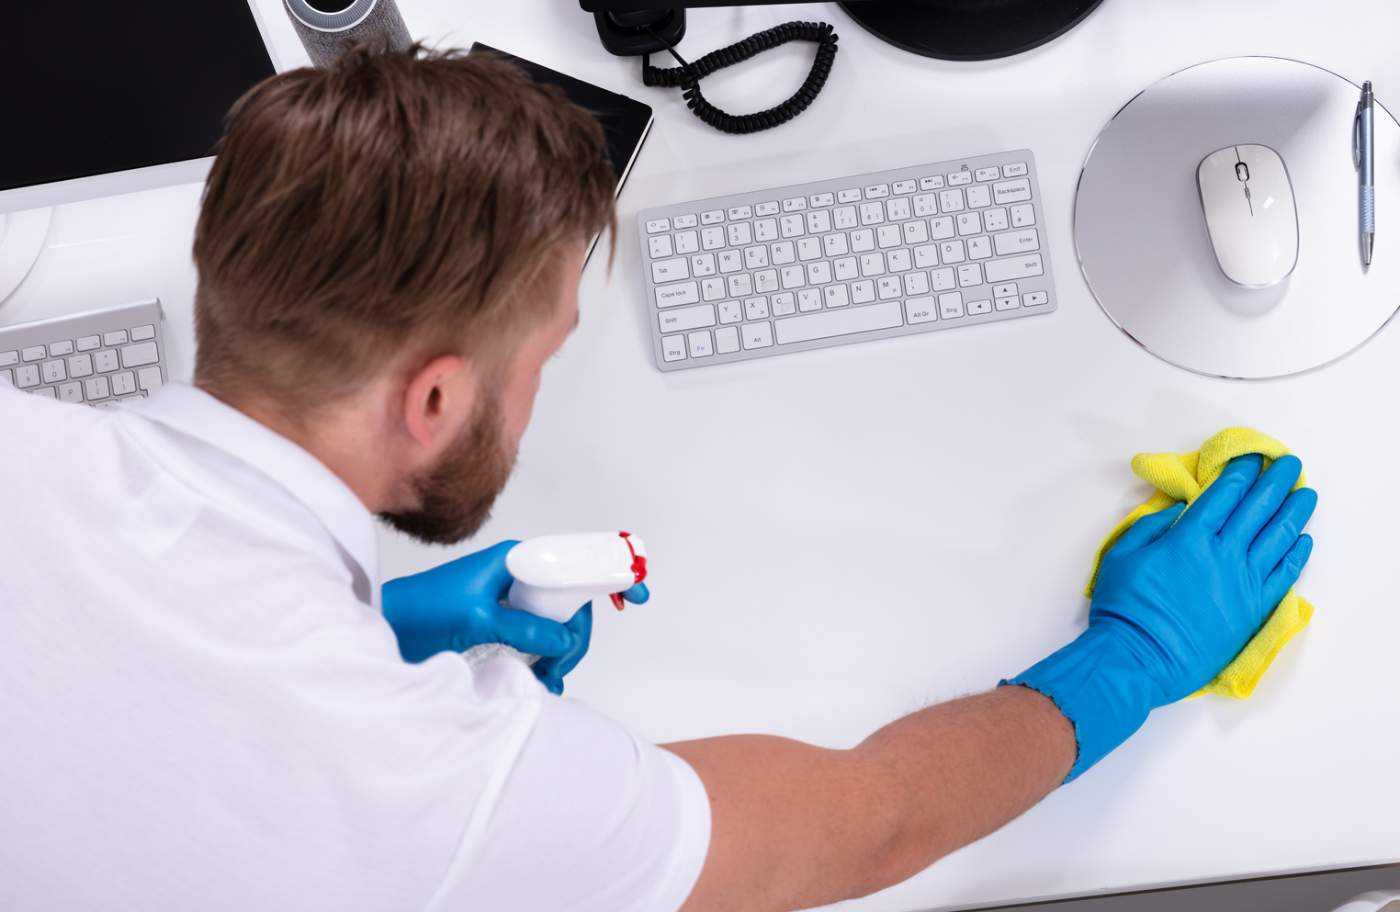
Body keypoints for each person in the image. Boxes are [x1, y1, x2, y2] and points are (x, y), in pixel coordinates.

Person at [0, 47, 1318, 912]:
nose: (540, 383)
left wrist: (371, 629)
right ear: (439, 398)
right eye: (545, 352)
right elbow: (868, 827)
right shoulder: (462, 800)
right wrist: (1135, 659)